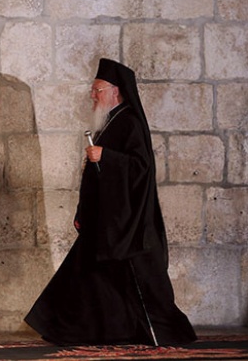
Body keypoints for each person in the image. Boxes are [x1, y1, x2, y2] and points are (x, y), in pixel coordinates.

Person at [24, 58, 197, 346]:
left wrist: (107, 157)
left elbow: (142, 168)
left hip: (125, 222)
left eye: (98, 90)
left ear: (115, 91)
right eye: (93, 90)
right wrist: (83, 209)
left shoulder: (129, 121)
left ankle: (163, 330)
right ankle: (77, 329)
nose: (93, 95)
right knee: (89, 277)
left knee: (134, 280)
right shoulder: (110, 122)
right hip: (104, 219)